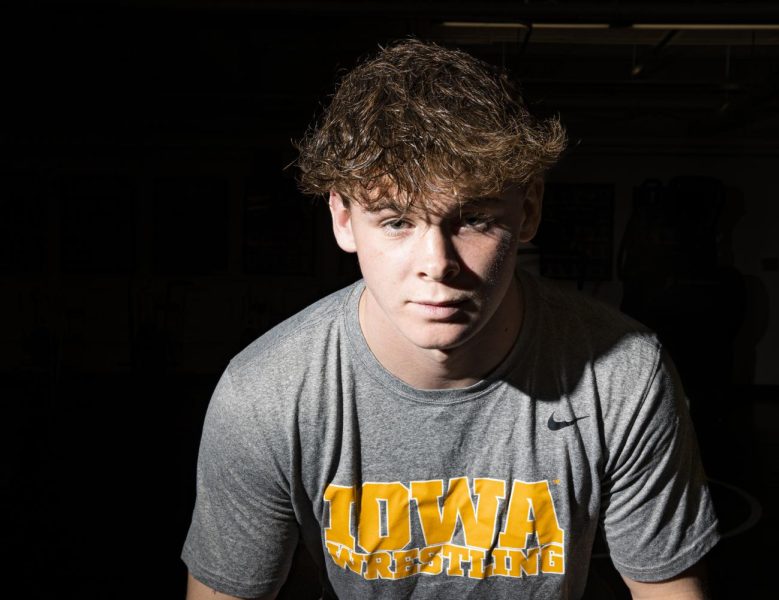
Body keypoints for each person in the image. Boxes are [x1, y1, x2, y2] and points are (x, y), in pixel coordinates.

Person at [182, 38, 719, 600]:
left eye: (475, 219)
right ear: (343, 220)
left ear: (529, 210)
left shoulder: (621, 374)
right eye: (396, 222)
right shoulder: (267, 392)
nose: (436, 264)